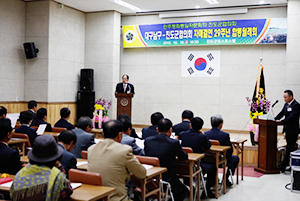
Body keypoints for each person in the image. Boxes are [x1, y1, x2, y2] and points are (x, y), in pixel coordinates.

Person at [88, 120, 146, 201]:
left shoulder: (91, 149)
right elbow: (142, 173)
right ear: (120, 135)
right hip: (116, 198)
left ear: (103, 135)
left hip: (96, 197)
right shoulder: (124, 150)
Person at [10, 134, 73, 201]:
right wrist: (60, 168)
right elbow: (68, 191)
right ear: (56, 158)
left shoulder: (20, 174)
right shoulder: (57, 177)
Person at [144, 118, 189, 201]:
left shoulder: (147, 141)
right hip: (167, 178)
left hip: (150, 178)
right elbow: (183, 157)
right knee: (184, 191)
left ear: (157, 130)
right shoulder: (174, 143)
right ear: (170, 130)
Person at [179, 117, 216, 198]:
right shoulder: (201, 136)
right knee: (214, 167)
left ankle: (190, 188)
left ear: (190, 125)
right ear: (201, 127)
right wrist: (203, 134)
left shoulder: (181, 134)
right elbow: (208, 145)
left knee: (187, 171)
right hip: (196, 166)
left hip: (182, 166)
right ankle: (207, 190)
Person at [205, 114, 239, 187]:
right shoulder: (225, 135)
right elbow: (230, 150)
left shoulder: (205, 134)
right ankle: (226, 178)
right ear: (220, 124)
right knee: (235, 158)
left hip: (207, 160)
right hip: (221, 160)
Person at [275, 90, 300, 173]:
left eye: (285, 97)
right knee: (290, 148)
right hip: (287, 130)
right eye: (284, 97)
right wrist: (274, 119)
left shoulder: (296, 105)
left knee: (290, 148)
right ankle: (290, 165)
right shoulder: (286, 104)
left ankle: (283, 166)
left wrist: (282, 121)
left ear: (291, 97)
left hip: (293, 130)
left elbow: (292, 117)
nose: (284, 99)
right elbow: (282, 113)